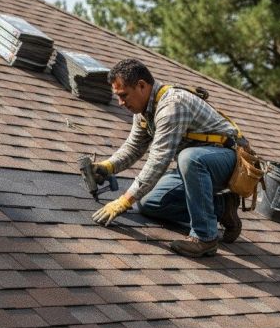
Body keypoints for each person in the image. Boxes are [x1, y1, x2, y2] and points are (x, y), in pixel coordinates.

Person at [91, 58, 243, 257]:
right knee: (147, 202)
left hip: (227, 161)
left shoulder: (172, 105)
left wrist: (124, 201)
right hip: (195, 168)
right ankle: (222, 208)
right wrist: (107, 167)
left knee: (189, 158)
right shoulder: (144, 111)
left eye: (123, 95)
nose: (120, 103)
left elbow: (159, 159)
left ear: (142, 86)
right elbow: (134, 147)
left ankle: (205, 238)